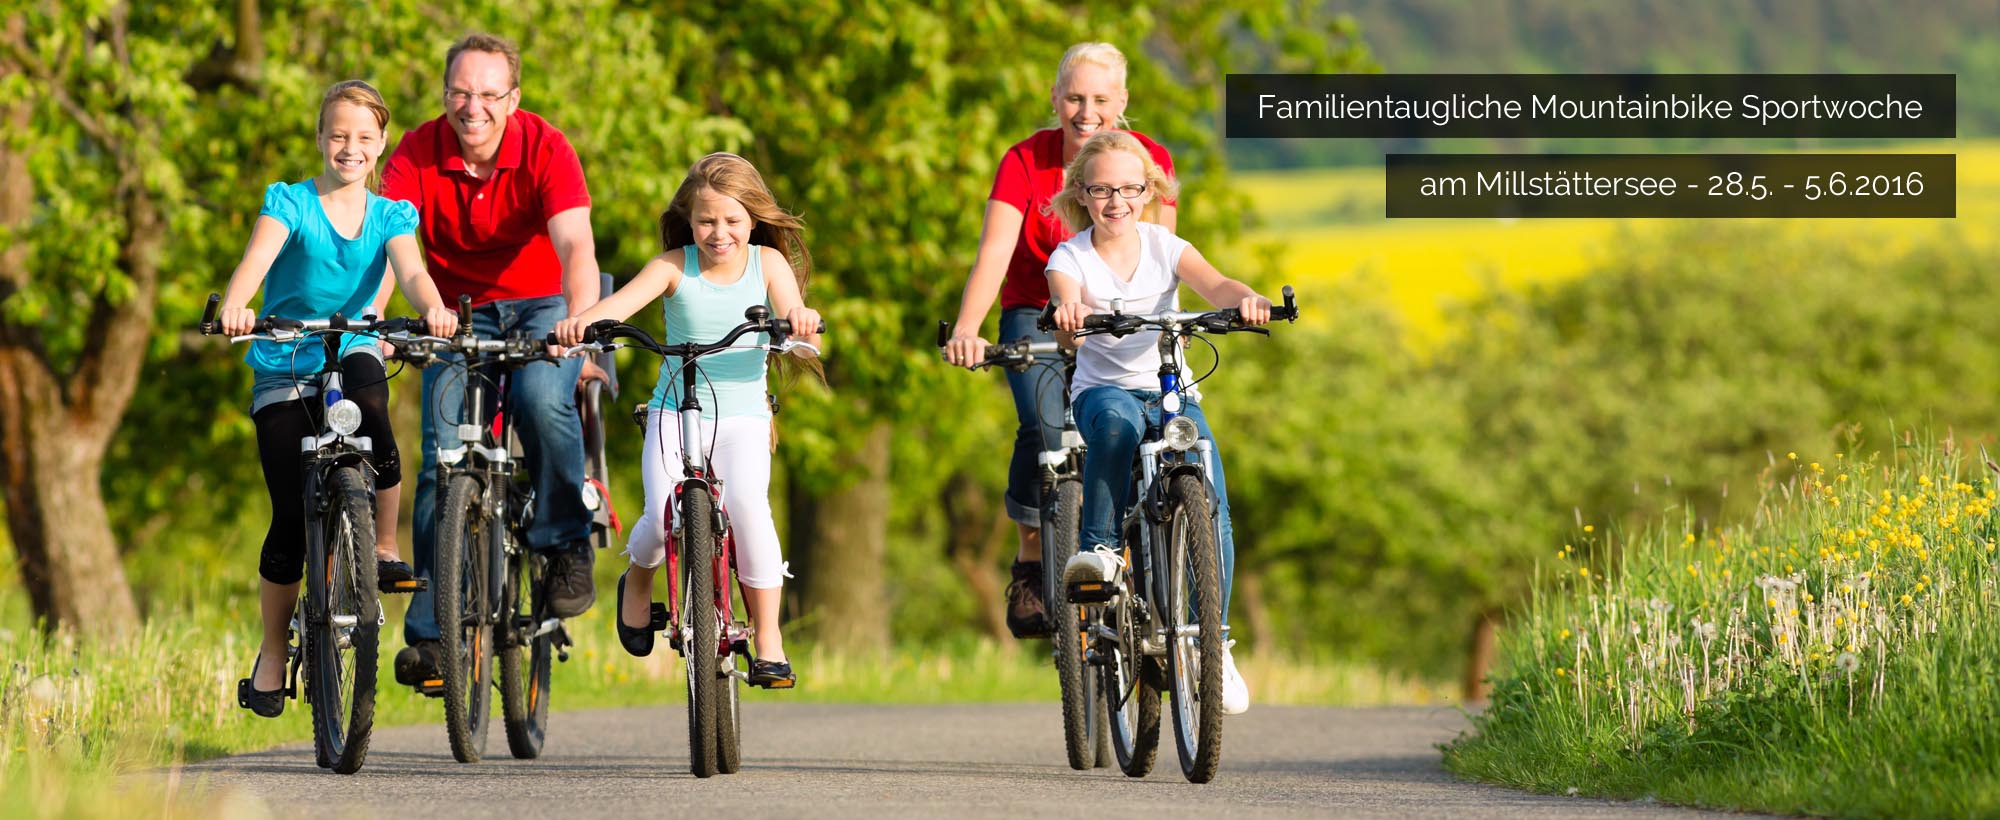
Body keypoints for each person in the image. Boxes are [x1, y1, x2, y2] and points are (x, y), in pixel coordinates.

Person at [220, 80, 460, 717]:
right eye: (337, 135)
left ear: (380, 143)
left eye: (363, 137)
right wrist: (238, 305)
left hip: (353, 341)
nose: (349, 147)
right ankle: (273, 653)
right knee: (289, 521)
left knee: (376, 414)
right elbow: (256, 260)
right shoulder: (289, 203)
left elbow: (410, 270)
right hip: (286, 356)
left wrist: (432, 307)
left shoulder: (390, 214)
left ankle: (381, 545)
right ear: (320, 138)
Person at [381, 33, 604, 689]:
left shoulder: (546, 146)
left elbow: (577, 247)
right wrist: (383, 319)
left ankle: (564, 540)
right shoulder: (418, 150)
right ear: (444, 93)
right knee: (442, 457)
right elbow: (393, 244)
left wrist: (579, 322)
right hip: (453, 311)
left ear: (512, 99)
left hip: (542, 305)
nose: (471, 107)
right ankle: (430, 636)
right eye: (459, 92)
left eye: (486, 94)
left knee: (540, 399)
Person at [553, 153, 821, 689]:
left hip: (743, 415)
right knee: (657, 514)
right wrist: (580, 325)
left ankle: (768, 638)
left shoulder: (768, 264)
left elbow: (794, 312)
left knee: (749, 510)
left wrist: (801, 322)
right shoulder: (673, 266)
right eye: (706, 221)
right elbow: (620, 307)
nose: (718, 233)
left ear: (753, 219)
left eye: (732, 220)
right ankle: (638, 582)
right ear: (689, 219)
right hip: (675, 412)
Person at [941, 42, 1178, 638]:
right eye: (1074, 97)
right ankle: (1031, 558)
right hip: (1036, 309)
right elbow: (995, 251)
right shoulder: (1025, 160)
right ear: (1055, 98)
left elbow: (1161, 257)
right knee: (1043, 425)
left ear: (1122, 102)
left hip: (1122, 313)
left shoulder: (1149, 161)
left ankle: (1134, 545)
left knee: (1143, 424)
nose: (1085, 111)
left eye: (1100, 99)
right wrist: (968, 328)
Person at [1043, 131, 1272, 715]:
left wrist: (1246, 298)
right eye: (1101, 189)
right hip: (1105, 392)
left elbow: (1216, 284)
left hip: (1171, 391)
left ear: (1149, 191)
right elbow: (1065, 307)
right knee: (1116, 427)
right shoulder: (1070, 257)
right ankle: (1097, 551)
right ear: (1081, 195)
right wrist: (1070, 314)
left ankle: (1210, 645)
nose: (1115, 200)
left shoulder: (1167, 246)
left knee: (1208, 490)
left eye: (1128, 188)